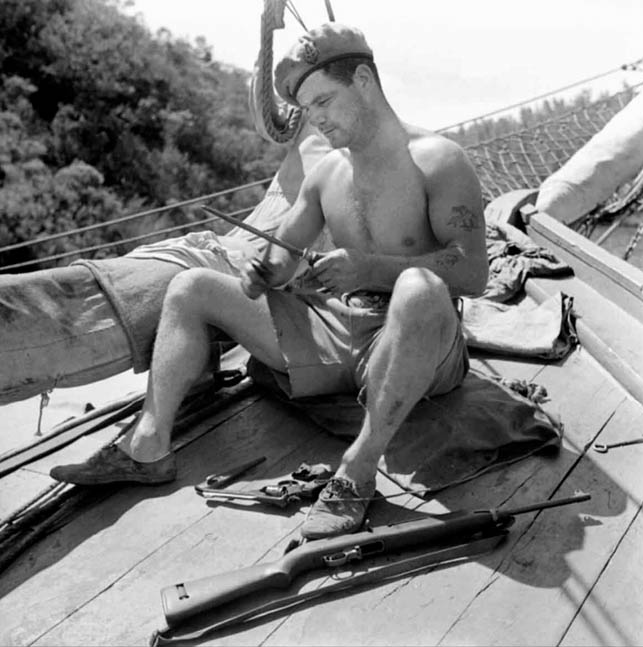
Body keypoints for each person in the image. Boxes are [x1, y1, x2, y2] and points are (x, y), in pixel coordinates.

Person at [51, 23, 488, 539]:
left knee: (419, 289)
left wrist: (369, 267)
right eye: (309, 109)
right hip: (341, 328)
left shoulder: (439, 159)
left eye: (325, 100)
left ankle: (358, 470)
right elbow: (282, 255)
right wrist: (267, 271)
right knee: (192, 287)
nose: (318, 120)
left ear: (365, 79)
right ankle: (148, 446)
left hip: (419, 341)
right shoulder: (327, 174)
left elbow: (473, 274)